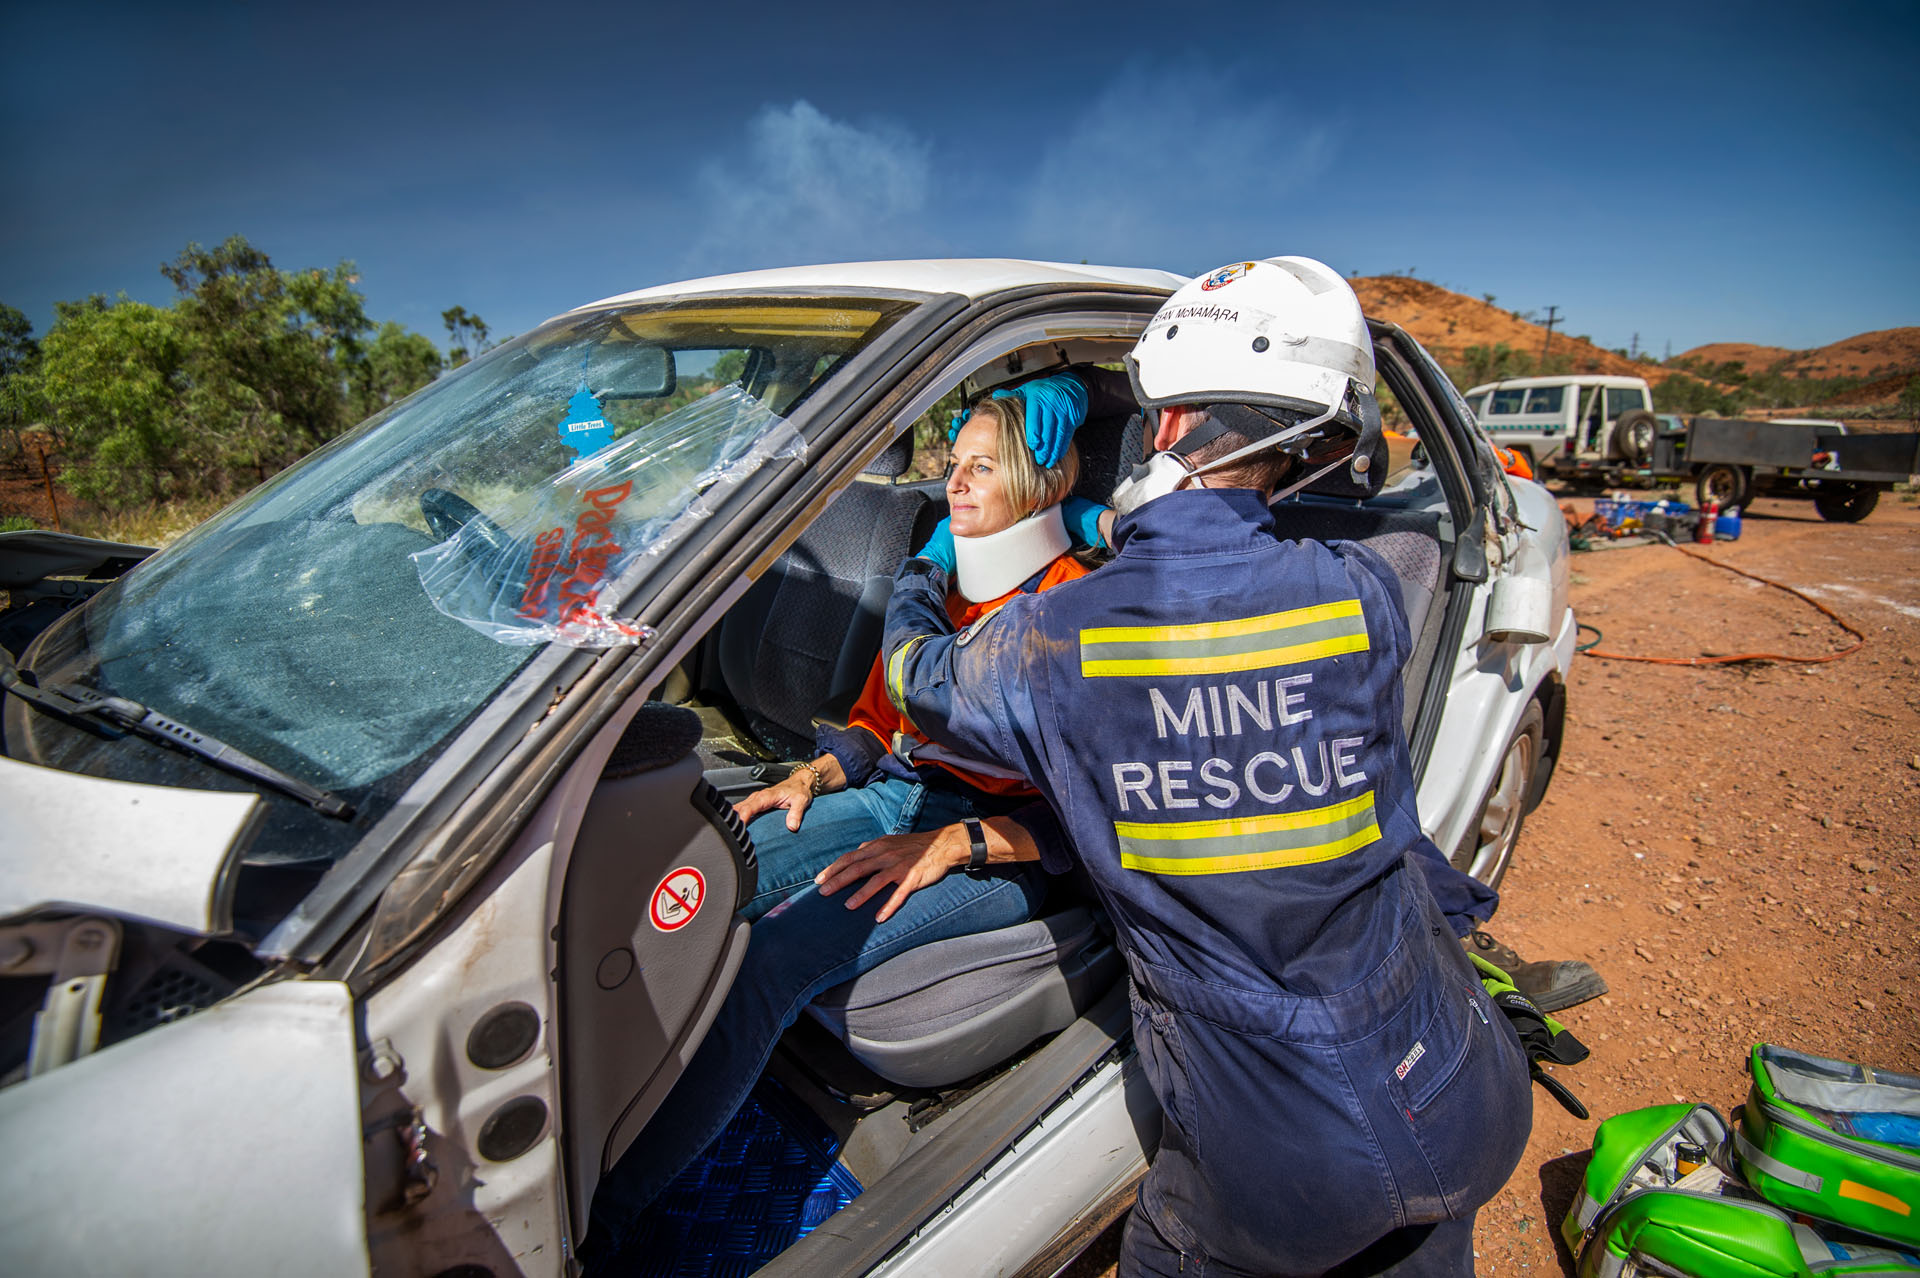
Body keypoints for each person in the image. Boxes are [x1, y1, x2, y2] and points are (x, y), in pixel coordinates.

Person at [873, 257, 1534, 1275]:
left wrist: (920, 571)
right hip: (1458, 1078)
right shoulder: (1362, 591)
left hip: (1278, 1165)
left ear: (1167, 427)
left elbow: (922, 680)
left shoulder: (1055, 642)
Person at [582, 385, 1105, 1265]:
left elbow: (1094, 820)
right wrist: (812, 776)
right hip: (896, 795)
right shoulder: (946, 582)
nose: (955, 487)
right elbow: (879, 721)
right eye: (952, 467)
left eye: (982, 469)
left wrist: (951, 842)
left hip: (1002, 847)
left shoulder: (1080, 608)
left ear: (1039, 483)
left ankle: (603, 1225)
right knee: (706, 874)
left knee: (771, 961)